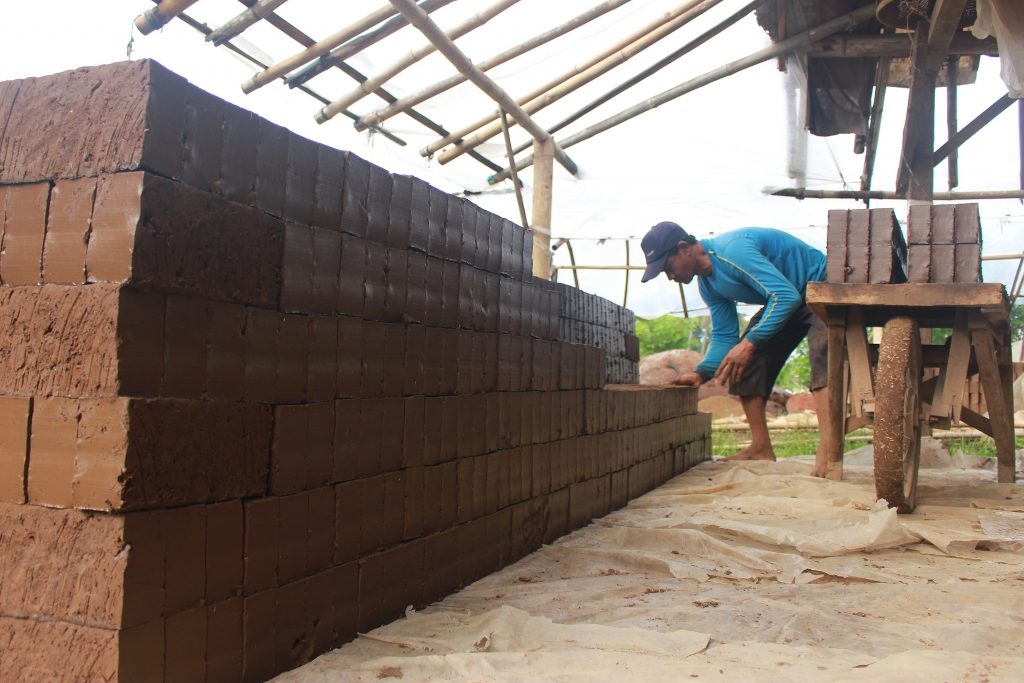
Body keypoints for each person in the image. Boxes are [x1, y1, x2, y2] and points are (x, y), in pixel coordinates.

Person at [639, 221, 833, 478]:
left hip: (821, 285)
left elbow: (785, 297)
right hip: (790, 296)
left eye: (668, 267)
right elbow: (724, 335)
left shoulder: (732, 252)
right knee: (746, 365)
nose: (670, 276)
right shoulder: (708, 285)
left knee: (823, 358)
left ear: (684, 248)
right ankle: (761, 447)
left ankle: (830, 450)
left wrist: (749, 344)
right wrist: (700, 373)